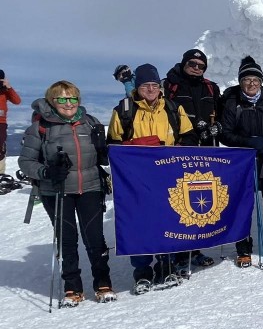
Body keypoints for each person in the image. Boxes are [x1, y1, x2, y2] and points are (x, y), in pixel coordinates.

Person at [19, 81, 115, 306]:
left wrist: (103, 152)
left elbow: (104, 156)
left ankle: (103, 282)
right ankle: (72, 286)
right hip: (56, 191)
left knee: (95, 238)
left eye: (72, 98)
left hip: (90, 187)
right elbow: (26, 162)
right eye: (62, 99)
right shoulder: (40, 128)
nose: (68, 103)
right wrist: (47, 171)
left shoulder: (90, 123)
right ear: (52, 101)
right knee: (67, 239)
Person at [107, 64, 198, 294]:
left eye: (154, 85)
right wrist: (133, 148)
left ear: (160, 87)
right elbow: (113, 145)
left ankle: (166, 267)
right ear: (137, 88)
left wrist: (179, 147)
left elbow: (189, 136)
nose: (150, 89)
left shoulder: (172, 108)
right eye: (146, 85)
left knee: (167, 220)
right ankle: (142, 272)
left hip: (167, 177)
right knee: (139, 223)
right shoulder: (124, 110)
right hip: (135, 179)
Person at [218, 56, 263, 268]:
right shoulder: (232, 104)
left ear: (261, 82)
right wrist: (248, 143)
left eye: (256, 80)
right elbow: (225, 134)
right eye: (247, 79)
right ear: (240, 82)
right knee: (242, 206)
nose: (251, 84)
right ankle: (243, 249)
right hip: (243, 162)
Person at [164, 48, 221, 268]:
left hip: (205, 150)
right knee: (176, 200)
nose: (196, 68)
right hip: (178, 150)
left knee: (198, 199)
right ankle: (176, 252)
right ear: (184, 63)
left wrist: (216, 128)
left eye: (200, 65)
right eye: (192, 64)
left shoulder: (210, 87)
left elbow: (221, 112)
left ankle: (195, 249)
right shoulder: (170, 84)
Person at [0, 69, 22, 176]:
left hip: (1, 123)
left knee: (0, 147)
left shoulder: (5, 91)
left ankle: (0, 173)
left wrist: (9, 87)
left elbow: (17, 101)